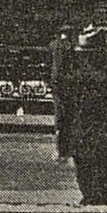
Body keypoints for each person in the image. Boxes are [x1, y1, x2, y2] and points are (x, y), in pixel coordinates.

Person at [69, 25, 107, 206]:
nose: (83, 57)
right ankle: (96, 195)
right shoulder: (105, 73)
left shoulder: (101, 75)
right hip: (92, 126)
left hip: (99, 125)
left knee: (96, 161)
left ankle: (96, 195)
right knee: (92, 161)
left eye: (86, 54)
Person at [48, 24, 77, 162]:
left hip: (56, 84)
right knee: (68, 117)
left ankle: (59, 150)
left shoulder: (53, 45)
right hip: (67, 84)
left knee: (59, 116)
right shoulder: (69, 47)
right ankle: (66, 150)